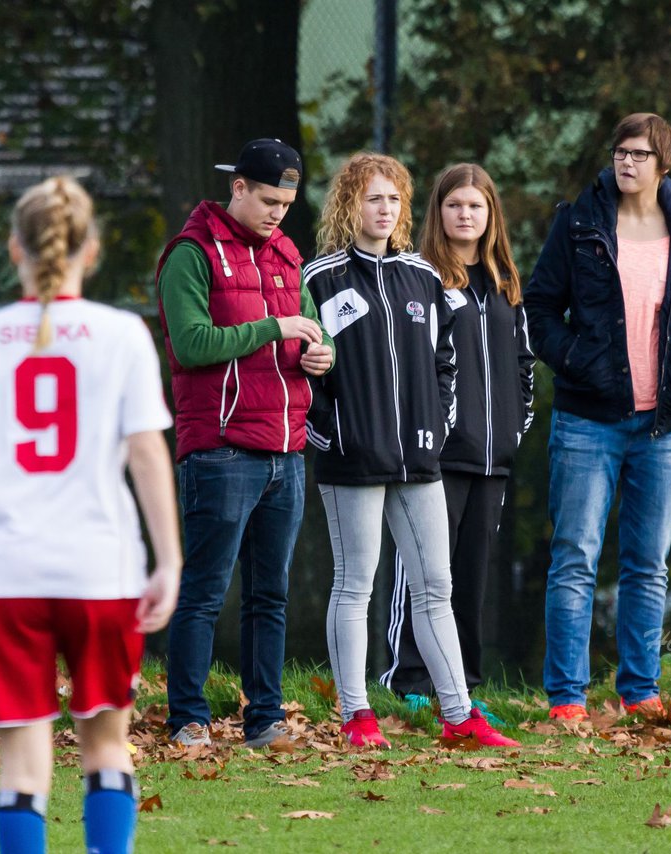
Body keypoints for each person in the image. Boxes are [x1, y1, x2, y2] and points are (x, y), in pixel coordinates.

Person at [0, 176, 181, 854]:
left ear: (13, 248)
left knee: (22, 768)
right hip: (102, 571)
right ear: (91, 251)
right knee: (106, 748)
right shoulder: (123, 334)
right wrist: (169, 558)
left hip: (11, 575)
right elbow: (146, 451)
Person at [303, 152, 518, 748]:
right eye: (373, 198)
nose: (385, 209)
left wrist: (435, 426)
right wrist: (332, 430)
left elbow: (445, 361)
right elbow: (302, 371)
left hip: (421, 462)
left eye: (394, 199)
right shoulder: (319, 278)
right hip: (352, 462)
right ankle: (356, 716)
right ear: (350, 203)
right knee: (356, 585)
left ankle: (458, 715)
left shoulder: (422, 277)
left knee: (436, 586)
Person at [524, 113, 671, 721]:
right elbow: (538, 308)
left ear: (663, 162)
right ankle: (567, 699)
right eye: (620, 152)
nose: (626, 163)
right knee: (575, 556)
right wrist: (577, 361)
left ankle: (640, 693)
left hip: (667, 426)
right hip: (588, 421)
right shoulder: (579, 224)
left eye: (639, 154)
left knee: (647, 564)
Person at [156, 138, 334, 748]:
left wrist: (319, 353)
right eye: (267, 200)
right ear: (237, 188)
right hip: (221, 450)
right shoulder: (191, 254)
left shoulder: (286, 252)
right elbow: (191, 345)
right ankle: (188, 720)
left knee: (270, 596)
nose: (279, 213)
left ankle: (265, 720)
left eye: (286, 202)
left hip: (286, 452)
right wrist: (272, 329)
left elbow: (311, 332)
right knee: (205, 592)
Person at [380, 163, 534, 716]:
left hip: (493, 459)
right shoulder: (423, 279)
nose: (464, 215)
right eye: (453, 205)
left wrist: (515, 430)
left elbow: (523, 368)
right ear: (437, 213)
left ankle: (462, 688)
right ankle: (408, 679)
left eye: (475, 206)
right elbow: (413, 368)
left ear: (490, 214)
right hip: (437, 457)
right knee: (422, 572)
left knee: (471, 578)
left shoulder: (507, 285)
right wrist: (428, 436)